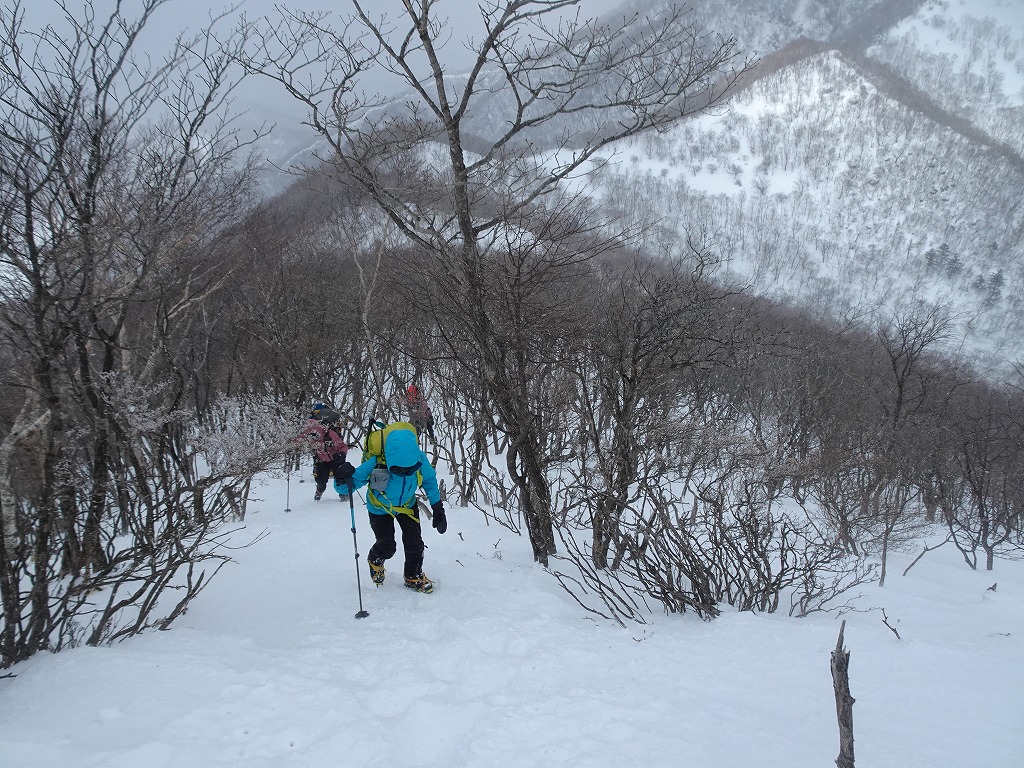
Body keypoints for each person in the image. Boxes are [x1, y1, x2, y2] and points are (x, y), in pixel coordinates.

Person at [345, 424, 446, 593]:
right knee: (387, 546)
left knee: (415, 543)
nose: (405, 473)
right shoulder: (376, 461)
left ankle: (413, 576)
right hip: (379, 507)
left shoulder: (420, 458)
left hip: (407, 505)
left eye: (410, 470)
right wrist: (342, 477)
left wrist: (438, 508)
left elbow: (429, 480)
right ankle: (375, 559)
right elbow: (347, 486)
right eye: (399, 471)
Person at [297, 403, 353, 501]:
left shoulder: (330, 434)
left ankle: (344, 494)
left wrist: (342, 454)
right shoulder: (308, 436)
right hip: (321, 458)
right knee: (320, 480)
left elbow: (343, 446)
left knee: (340, 478)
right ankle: (320, 490)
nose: (313, 436)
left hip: (335, 457)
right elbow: (297, 441)